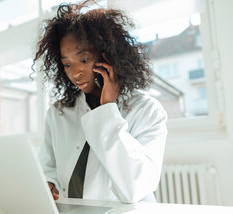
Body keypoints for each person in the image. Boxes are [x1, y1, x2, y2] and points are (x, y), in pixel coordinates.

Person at [34, 0, 167, 203]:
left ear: (108, 55)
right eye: (67, 64)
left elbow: (134, 188)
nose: (75, 72)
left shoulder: (147, 110)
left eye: (84, 60)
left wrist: (107, 110)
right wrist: (48, 183)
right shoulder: (58, 112)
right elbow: (48, 166)